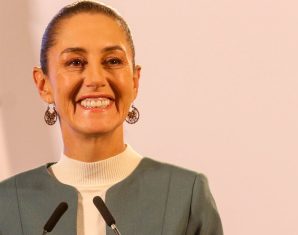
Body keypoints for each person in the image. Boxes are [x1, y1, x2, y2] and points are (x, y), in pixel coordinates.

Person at [0, 1, 223, 235]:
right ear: (43, 84)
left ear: (135, 81)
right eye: (75, 62)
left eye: (113, 61)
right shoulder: (6, 205)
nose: (96, 79)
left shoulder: (185, 197)